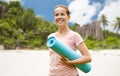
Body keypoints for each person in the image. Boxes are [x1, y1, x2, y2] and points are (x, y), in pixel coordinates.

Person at [48, 5, 92, 76]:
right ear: (54, 18)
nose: (59, 17)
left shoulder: (74, 35)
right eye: (56, 15)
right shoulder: (51, 37)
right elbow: (53, 60)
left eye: (62, 14)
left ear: (68, 17)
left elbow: (88, 58)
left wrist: (70, 62)